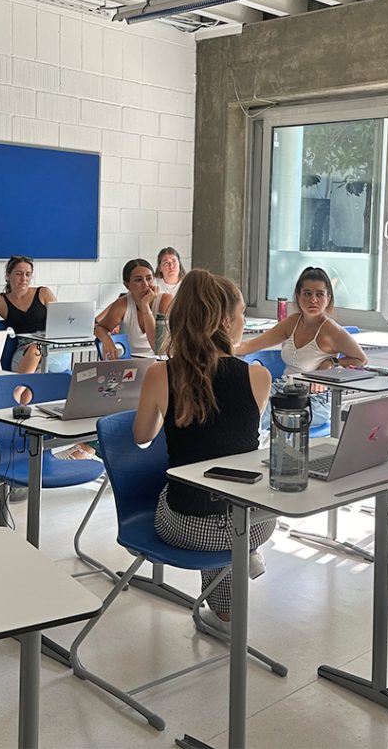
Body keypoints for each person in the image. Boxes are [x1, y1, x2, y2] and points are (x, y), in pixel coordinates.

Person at [133, 269, 273, 632]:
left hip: (187, 526)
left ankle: (225, 613)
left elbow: (141, 436)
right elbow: (234, 438)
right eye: (241, 315)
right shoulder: (258, 376)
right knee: (226, 499)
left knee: (184, 490)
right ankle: (234, 585)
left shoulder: (160, 375)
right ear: (224, 320)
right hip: (257, 522)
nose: (244, 323)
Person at [236, 266, 368, 432]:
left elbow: (361, 359)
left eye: (319, 294)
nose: (313, 300)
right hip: (283, 389)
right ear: (298, 296)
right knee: (240, 406)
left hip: (314, 400)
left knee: (255, 417)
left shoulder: (332, 330)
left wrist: (332, 363)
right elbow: (249, 346)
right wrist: (215, 347)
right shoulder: (292, 322)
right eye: (307, 293)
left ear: (328, 298)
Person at [95, 259, 173, 359]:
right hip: (132, 362)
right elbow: (100, 328)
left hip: (161, 361)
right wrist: (107, 340)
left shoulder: (165, 300)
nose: (146, 285)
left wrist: (145, 307)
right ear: (127, 285)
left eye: (149, 278)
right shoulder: (122, 304)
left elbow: (158, 349)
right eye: (138, 280)